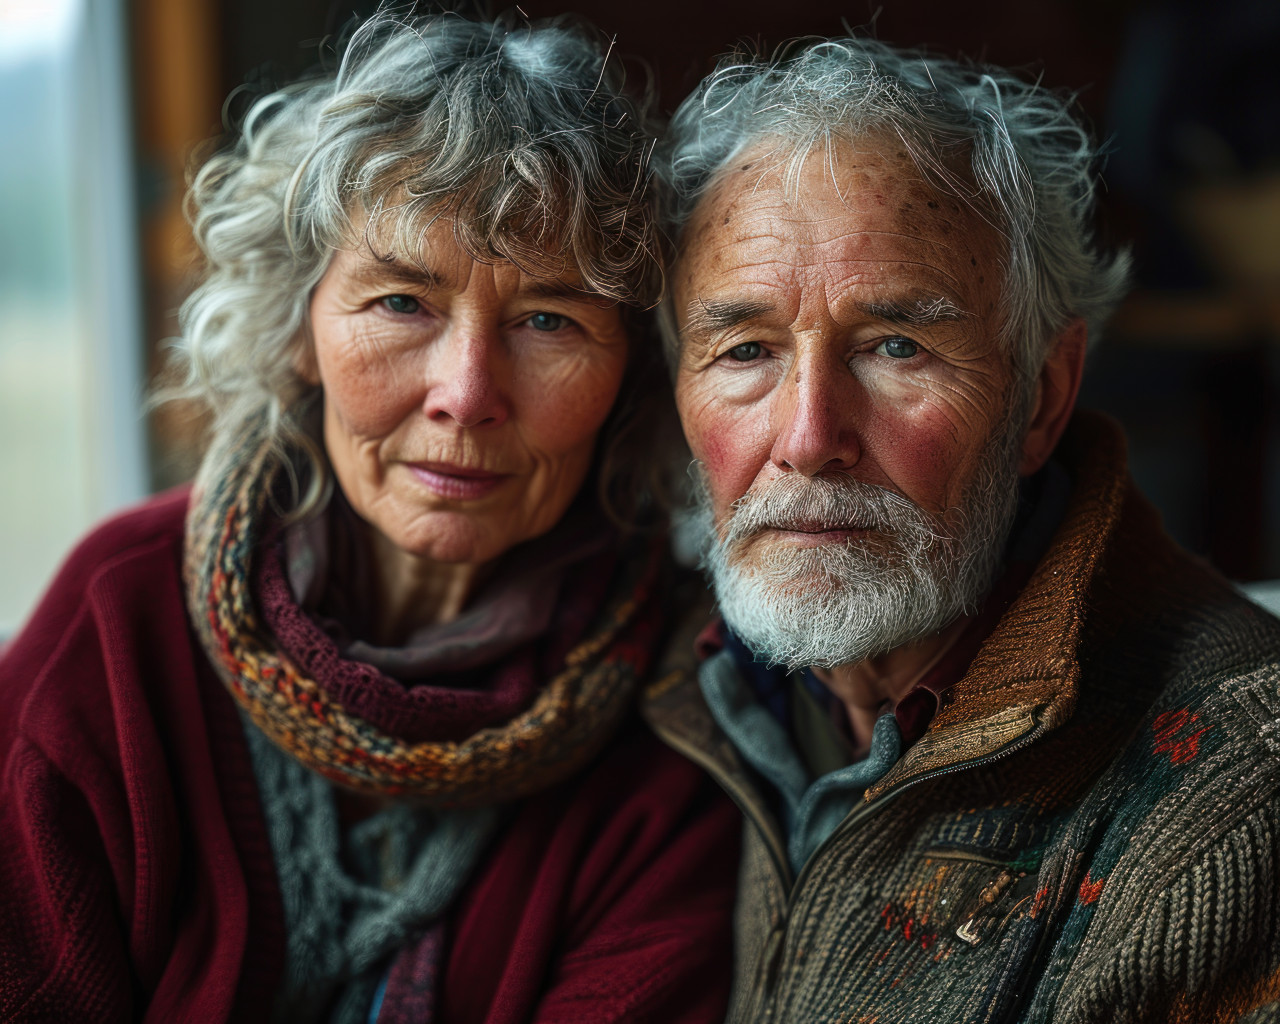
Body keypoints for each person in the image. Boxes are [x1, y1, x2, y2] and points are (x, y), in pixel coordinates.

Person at [0, 13, 740, 1022]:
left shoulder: (682, 719)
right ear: (298, 323)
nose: (465, 393)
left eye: (548, 320)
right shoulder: (119, 622)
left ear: (634, 374)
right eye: (401, 302)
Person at [643, 35, 1280, 1023]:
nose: (807, 440)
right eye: (745, 350)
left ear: (1041, 396)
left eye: (895, 345)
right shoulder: (654, 678)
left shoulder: (1233, 803)